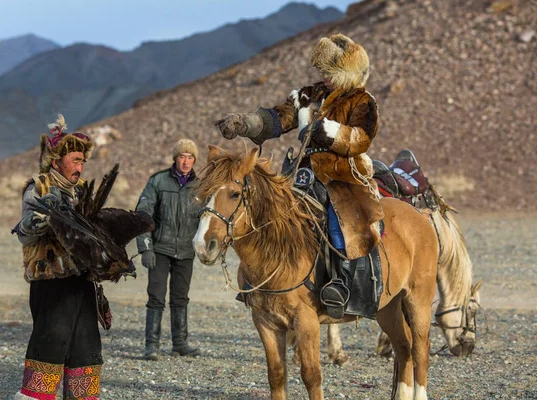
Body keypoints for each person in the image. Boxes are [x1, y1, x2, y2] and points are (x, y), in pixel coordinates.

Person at [215, 34, 384, 319]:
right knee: (266, 210)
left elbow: (361, 139)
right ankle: (260, 281)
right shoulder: (310, 95)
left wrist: (329, 132)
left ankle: (340, 285)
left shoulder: (362, 102)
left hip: (340, 177)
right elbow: (279, 118)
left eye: (329, 73)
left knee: (337, 222)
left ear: (346, 74)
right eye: (322, 73)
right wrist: (246, 123)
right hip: (302, 174)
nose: (324, 78)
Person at [12, 114, 103, 399]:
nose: (80, 166)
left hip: (81, 284)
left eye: (82, 161)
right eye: (75, 160)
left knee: (85, 352)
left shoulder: (83, 194)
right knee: (48, 349)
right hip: (50, 283)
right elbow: (25, 233)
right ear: (55, 161)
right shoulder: (37, 189)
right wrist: (45, 217)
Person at [136, 139, 202, 360]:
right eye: (182, 156)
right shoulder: (158, 181)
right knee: (156, 297)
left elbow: (208, 219)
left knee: (180, 298)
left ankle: (180, 343)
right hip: (160, 249)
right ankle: (151, 345)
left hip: (185, 251)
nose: (186, 161)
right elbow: (143, 214)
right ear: (175, 158)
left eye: (190, 157)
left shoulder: (201, 186)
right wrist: (146, 248)